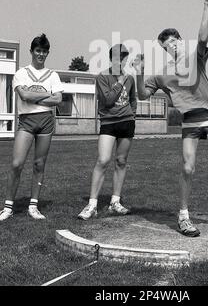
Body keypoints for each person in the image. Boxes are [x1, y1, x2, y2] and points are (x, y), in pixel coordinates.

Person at [133, 0, 208, 237]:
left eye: (174, 41)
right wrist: (140, 72)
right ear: (163, 50)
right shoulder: (162, 74)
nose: (170, 46)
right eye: (166, 45)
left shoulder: (195, 57)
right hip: (190, 122)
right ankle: (183, 216)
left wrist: (207, 7)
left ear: (180, 41)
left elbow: (204, 36)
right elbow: (142, 95)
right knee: (187, 167)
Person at [0, 34, 63, 221]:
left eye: (44, 51)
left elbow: (58, 99)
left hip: (46, 121)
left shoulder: (53, 75)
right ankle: (8, 207)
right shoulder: (21, 72)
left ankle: (33, 206)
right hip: (26, 121)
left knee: (39, 164)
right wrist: (45, 95)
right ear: (31, 51)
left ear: (47, 53)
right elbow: (23, 96)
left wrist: (32, 94)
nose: (41, 54)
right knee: (17, 163)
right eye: (38, 51)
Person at [78, 44, 137, 220]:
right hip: (109, 123)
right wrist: (120, 81)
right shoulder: (103, 76)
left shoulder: (131, 79)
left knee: (121, 161)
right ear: (112, 58)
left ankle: (115, 202)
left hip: (126, 122)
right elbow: (109, 100)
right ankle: (92, 204)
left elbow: (133, 100)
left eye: (124, 56)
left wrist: (132, 115)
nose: (121, 60)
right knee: (103, 160)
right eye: (118, 57)